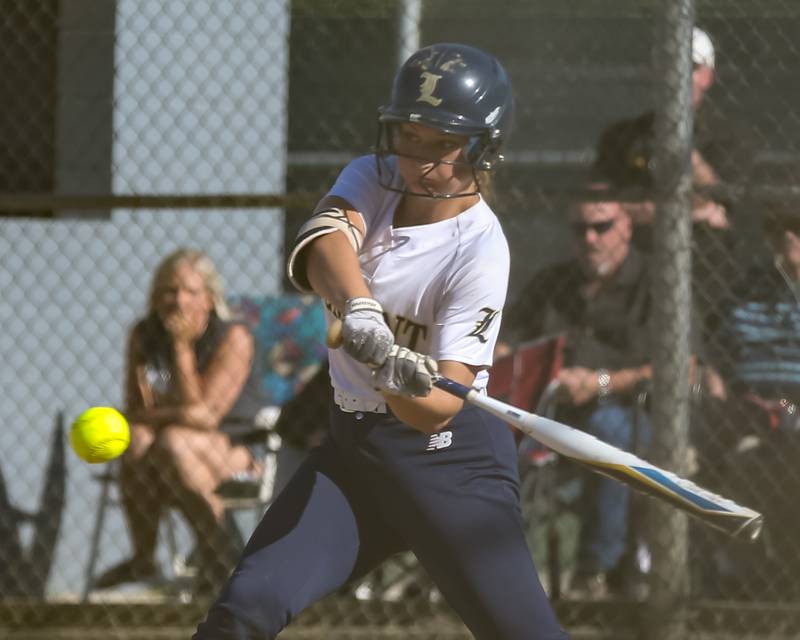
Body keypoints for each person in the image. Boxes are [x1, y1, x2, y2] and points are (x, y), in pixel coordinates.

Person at [194, 43, 568, 640]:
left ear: (481, 148)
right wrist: (362, 311)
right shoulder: (377, 176)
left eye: (438, 142)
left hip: (451, 464)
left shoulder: (479, 251)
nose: (414, 155)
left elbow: (439, 406)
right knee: (246, 606)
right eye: (407, 134)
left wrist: (395, 374)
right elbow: (325, 242)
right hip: (354, 457)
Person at [503, 188, 656, 599]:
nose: (590, 238)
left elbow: (681, 367)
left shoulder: (655, 282)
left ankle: (595, 571)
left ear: (626, 227)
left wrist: (599, 383)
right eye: (580, 229)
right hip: (548, 408)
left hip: (632, 412)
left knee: (607, 428)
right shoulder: (553, 282)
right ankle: (478, 574)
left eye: (601, 227)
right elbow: (507, 344)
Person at [94, 248, 265, 595]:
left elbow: (204, 417)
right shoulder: (142, 335)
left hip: (236, 448)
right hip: (163, 448)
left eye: (190, 291)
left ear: (209, 298)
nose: (178, 300)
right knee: (138, 439)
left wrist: (181, 348)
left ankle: (217, 554)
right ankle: (144, 558)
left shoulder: (234, 337)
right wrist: (171, 415)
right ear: (155, 298)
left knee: (174, 441)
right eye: (168, 291)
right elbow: (135, 410)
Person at [593, 27, 753, 328]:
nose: (676, 77)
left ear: (708, 76)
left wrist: (683, 148)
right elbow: (601, 207)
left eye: (689, 68)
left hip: (705, 269)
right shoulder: (622, 137)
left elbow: (728, 206)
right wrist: (696, 210)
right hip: (634, 265)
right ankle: (606, 380)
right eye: (668, 67)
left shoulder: (731, 139)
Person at [698, 192, 800, 600]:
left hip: (794, 402)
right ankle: (744, 576)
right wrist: (713, 376)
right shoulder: (748, 289)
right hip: (746, 402)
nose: (790, 237)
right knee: (738, 452)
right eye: (781, 228)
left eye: (799, 227)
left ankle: (776, 574)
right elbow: (712, 348)